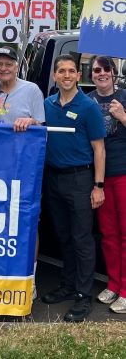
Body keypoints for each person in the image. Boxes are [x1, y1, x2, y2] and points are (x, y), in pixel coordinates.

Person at [41, 54, 106, 323]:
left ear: (79, 75)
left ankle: (82, 295)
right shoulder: (47, 104)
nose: (66, 75)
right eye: (61, 71)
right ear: (55, 76)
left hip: (80, 179)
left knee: (82, 239)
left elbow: (99, 149)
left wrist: (98, 186)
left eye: (71, 71)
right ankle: (67, 285)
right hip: (54, 179)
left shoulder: (88, 107)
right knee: (63, 236)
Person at [87, 55, 126, 313]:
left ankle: (125, 290)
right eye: (96, 70)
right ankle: (113, 284)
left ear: (113, 72)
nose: (101, 73)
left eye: (105, 69)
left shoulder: (124, 97)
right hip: (99, 178)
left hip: (123, 173)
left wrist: (123, 116)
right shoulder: (87, 101)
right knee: (109, 236)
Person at [0, 46, 45, 132]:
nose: (3, 68)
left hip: (20, 144)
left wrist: (32, 121)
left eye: (8, 64)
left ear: (16, 68)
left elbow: (41, 126)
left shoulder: (32, 90)